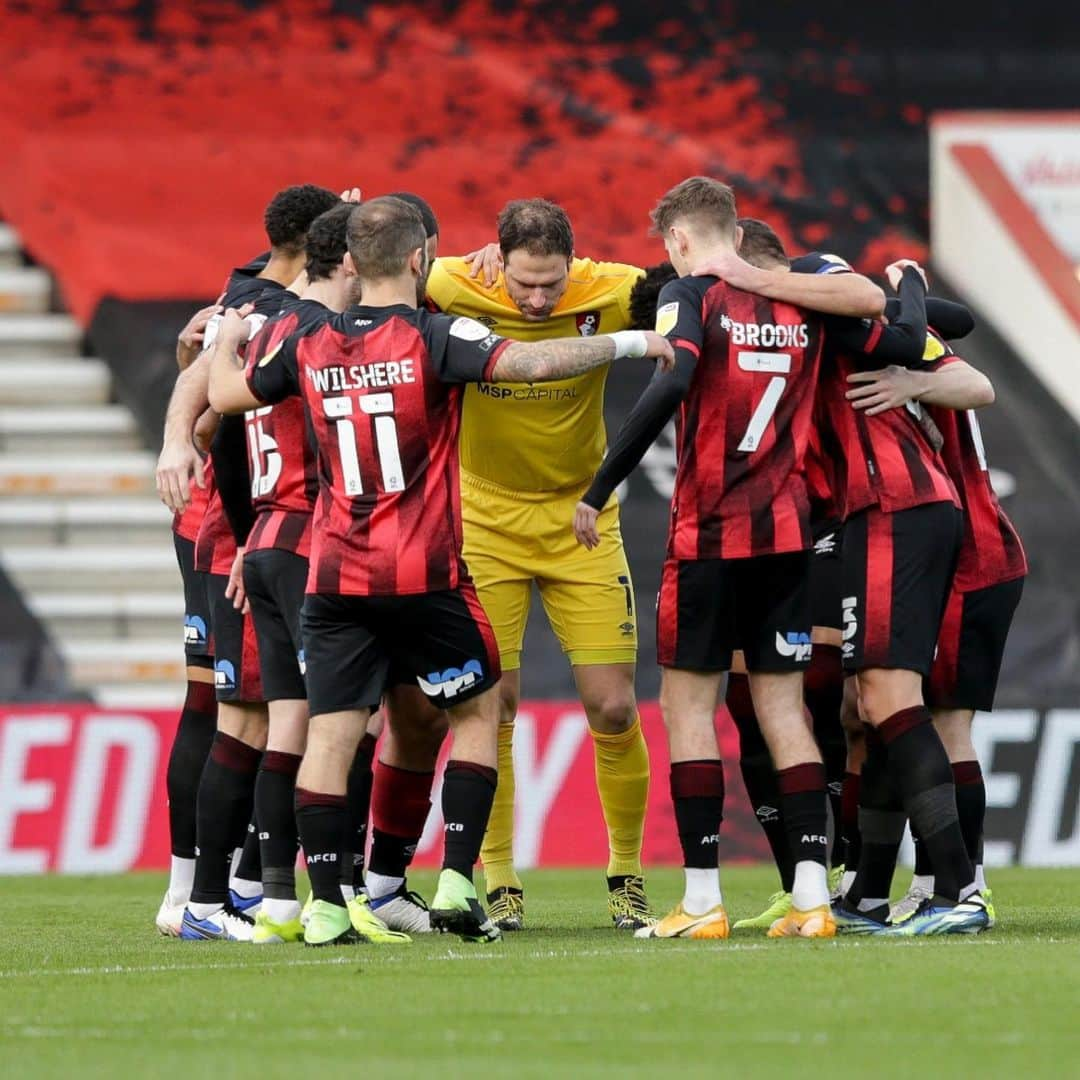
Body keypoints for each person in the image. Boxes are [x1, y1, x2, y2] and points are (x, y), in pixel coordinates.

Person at [208, 196, 674, 945]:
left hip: (335, 573)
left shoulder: (306, 338)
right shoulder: (437, 329)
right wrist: (628, 348)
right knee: (480, 711)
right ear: (423, 259)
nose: (535, 299)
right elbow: (524, 362)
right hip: (428, 566)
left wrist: (228, 341)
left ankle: (322, 904)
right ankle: (466, 880)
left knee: (329, 734)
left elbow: (227, 396)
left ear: (354, 262)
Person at [576, 177, 883, 940]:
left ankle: (704, 901)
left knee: (690, 711)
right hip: (786, 537)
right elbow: (878, 305)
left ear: (678, 242)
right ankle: (814, 898)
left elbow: (672, 378)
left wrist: (599, 486)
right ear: (739, 235)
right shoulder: (799, 297)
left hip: (709, 538)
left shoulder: (688, 293)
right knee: (784, 711)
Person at [425, 199, 654, 932]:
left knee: (613, 706)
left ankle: (626, 872)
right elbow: (364, 274)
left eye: (550, 285)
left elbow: (694, 287)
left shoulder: (611, 288)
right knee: (491, 706)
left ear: (572, 264)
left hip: (581, 519)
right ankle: (499, 879)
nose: (535, 299)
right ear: (498, 258)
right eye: (523, 284)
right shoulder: (453, 283)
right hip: (483, 519)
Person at [156, 183, 342, 941]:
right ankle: (206, 895)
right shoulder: (263, 310)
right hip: (239, 529)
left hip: (245, 529)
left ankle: (222, 891)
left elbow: (199, 393)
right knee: (248, 711)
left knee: (259, 711)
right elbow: (204, 409)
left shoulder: (245, 305)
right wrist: (178, 441)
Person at [843, 326, 1025, 927]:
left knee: (940, 721)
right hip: (961, 555)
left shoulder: (908, 356)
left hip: (970, 557)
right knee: (887, 715)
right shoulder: (905, 337)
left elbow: (981, 384)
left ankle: (961, 887)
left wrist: (913, 381)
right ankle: (897, 888)